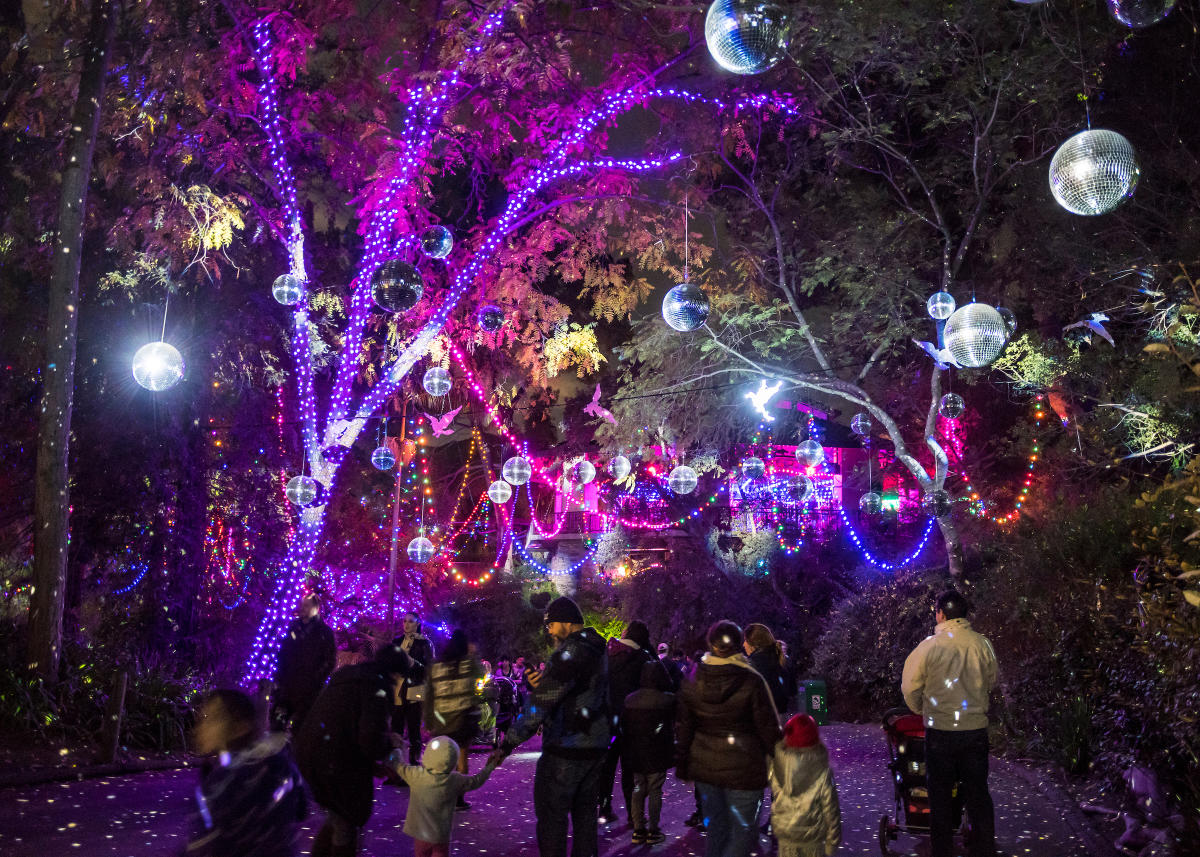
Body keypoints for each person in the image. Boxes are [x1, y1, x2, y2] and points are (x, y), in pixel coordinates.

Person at [492, 596, 610, 857]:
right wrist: (542, 685)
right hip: (596, 744)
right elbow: (577, 691)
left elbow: (541, 704)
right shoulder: (599, 648)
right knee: (585, 818)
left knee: (552, 817)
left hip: (566, 745)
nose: (549, 632)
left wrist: (509, 741)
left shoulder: (569, 653)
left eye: (550, 625)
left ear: (566, 623)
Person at [901, 590, 999, 857]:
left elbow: (910, 686)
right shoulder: (982, 644)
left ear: (941, 614)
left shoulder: (929, 647)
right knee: (978, 793)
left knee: (940, 796)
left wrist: (921, 708)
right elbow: (992, 680)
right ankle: (984, 848)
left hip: (941, 731)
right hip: (974, 730)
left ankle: (942, 849)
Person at [676, 620, 783, 857]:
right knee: (744, 833)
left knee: (717, 829)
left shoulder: (692, 680)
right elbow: (767, 727)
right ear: (738, 645)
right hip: (744, 769)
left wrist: (682, 762)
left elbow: (685, 727)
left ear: (711, 644)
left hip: (705, 768)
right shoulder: (752, 680)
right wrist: (782, 758)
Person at [295, 642, 412, 857]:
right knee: (347, 821)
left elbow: (346, 725)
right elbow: (370, 739)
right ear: (395, 672)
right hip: (334, 762)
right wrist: (391, 743)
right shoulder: (377, 686)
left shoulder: (348, 676)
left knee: (337, 816)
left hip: (310, 752)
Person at [186, 689, 307, 857]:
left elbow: (202, 846)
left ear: (241, 727)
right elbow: (302, 809)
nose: (202, 727)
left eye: (213, 719)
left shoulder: (219, 783)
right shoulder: (283, 764)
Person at [386, 735, 501, 856]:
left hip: (421, 834)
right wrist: (490, 766)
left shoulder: (416, 775)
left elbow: (398, 765)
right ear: (453, 759)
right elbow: (476, 781)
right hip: (441, 836)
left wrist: (397, 749)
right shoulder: (455, 780)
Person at [598, 620, 660, 825]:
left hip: (608, 720)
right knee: (630, 770)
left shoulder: (607, 656)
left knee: (607, 767)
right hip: (633, 722)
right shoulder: (643, 658)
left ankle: (605, 807)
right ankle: (634, 816)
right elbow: (659, 682)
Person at [424, 628, 484, 810]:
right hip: (463, 720)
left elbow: (429, 695)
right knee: (462, 759)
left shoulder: (435, 666)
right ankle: (458, 798)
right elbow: (481, 677)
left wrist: (428, 721)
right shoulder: (469, 663)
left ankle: (443, 796)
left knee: (444, 760)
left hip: (442, 720)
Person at [769, 713, 842, 857]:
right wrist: (832, 841)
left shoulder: (777, 765)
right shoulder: (822, 771)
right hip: (812, 839)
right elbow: (831, 809)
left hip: (786, 835)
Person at [622, 661, 676, 845]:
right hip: (658, 750)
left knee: (638, 787)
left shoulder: (630, 699)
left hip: (636, 750)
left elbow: (624, 726)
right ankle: (653, 830)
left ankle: (638, 829)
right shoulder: (667, 699)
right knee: (655, 788)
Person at [272, 594, 337, 733]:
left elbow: (330, 660)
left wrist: (315, 679)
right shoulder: (294, 628)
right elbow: (283, 652)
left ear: (316, 608)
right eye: (302, 605)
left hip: (309, 690)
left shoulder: (324, 633)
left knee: (302, 728)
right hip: (287, 686)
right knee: (277, 724)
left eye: (306, 605)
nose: (302, 608)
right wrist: (280, 676)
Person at [393, 611, 435, 766]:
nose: (406, 624)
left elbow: (429, 669)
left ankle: (414, 761)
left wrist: (414, 663)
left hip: (415, 688)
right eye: (404, 621)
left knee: (413, 726)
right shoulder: (397, 642)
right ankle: (395, 766)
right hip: (397, 688)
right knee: (396, 728)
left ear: (418, 624)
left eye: (410, 621)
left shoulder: (425, 643)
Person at [744, 623, 790, 718]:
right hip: (781, 713)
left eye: (745, 640)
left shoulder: (755, 663)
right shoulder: (779, 657)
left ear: (754, 644)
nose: (743, 644)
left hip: (763, 717)